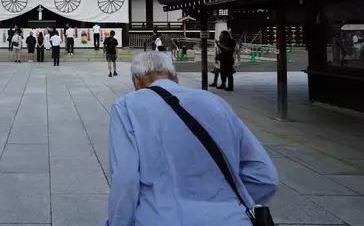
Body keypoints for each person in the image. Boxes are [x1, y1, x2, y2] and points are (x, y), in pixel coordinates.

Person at [104, 51, 279, 226]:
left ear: (136, 81)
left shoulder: (126, 106)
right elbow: (265, 176)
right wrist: (226, 202)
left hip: (158, 218)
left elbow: (125, 178)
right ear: (176, 78)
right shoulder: (216, 103)